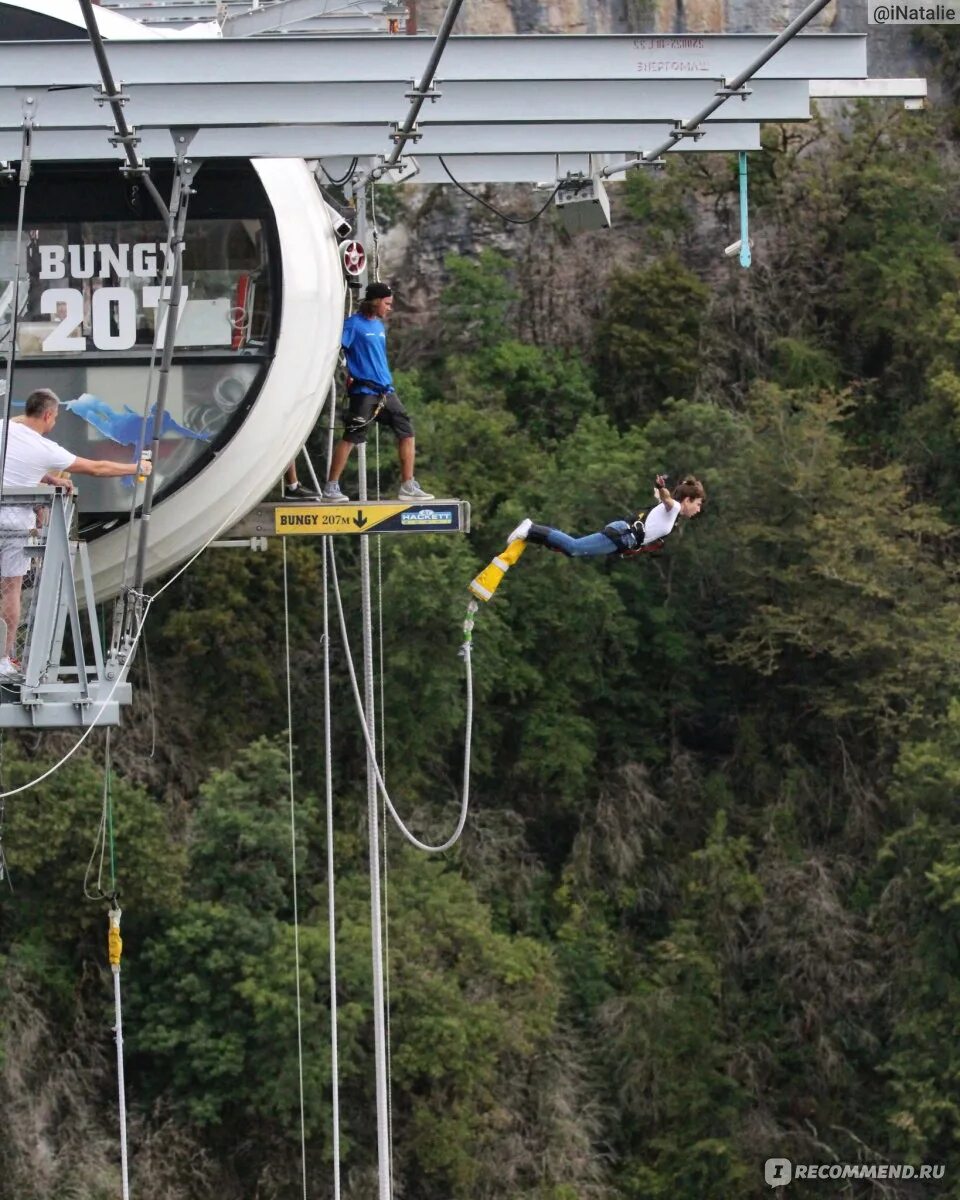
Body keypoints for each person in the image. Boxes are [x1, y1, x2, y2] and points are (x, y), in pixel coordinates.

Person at [0, 388, 153, 677]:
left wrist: (45, 477)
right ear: (47, 415)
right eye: (55, 417)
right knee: (12, 590)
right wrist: (137, 467)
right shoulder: (46, 449)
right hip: (14, 527)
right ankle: (3, 659)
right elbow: (97, 468)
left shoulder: (3, 429)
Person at [322, 281, 433, 502]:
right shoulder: (353, 325)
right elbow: (334, 349)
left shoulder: (379, 326)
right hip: (364, 391)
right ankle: (331, 488)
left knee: (407, 432)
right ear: (375, 302)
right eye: (387, 303)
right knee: (352, 437)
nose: (389, 308)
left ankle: (408, 485)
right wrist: (348, 372)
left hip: (385, 391)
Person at [509, 474, 705, 557]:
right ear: (687, 500)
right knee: (575, 547)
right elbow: (666, 498)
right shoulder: (675, 508)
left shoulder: (671, 515)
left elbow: (659, 498)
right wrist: (662, 488)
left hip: (624, 537)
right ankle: (530, 528)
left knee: (571, 550)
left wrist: (658, 488)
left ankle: (532, 534)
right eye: (697, 504)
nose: (698, 509)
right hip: (622, 534)